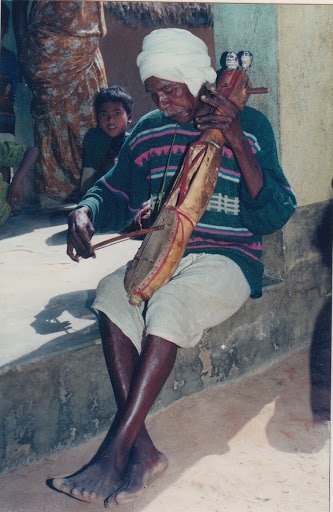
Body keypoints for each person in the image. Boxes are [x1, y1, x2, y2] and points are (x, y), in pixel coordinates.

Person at [51, 29, 297, 506]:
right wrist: (85, 210)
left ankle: (112, 454)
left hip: (230, 258)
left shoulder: (252, 125)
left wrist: (238, 142)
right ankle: (142, 450)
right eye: (154, 91)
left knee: (168, 304)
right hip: (166, 255)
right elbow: (115, 188)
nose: (162, 101)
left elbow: (274, 213)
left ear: (197, 79)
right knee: (111, 293)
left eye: (171, 89)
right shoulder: (147, 130)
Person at [12, 0, 108, 207]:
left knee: (90, 123)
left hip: (85, 49)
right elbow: (19, 6)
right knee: (50, 125)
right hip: (46, 51)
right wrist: (24, 55)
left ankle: (92, 196)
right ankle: (55, 196)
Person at [0, 0, 38, 220]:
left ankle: (9, 194)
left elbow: (16, 94)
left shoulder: (10, 60)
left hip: (6, 130)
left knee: (6, 164)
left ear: (5, 30)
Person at [80, 86, 133, 199]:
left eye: (117, 113)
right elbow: (86, 186)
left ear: (129, 117)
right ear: (97, 119)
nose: (110, 120)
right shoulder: (94, 141)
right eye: (104, 115)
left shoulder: (134, 141)